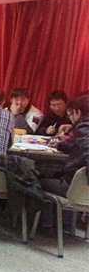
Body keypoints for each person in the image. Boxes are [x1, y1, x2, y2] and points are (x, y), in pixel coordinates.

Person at [40, 95, 89, 232]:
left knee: (36, 180)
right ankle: (64, 226)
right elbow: (79, 147)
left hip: (74, 187)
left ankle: (44, 226)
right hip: (81, 188)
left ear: (78, 112)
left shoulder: (84, 127)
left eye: (70, 115)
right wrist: (61, 145)